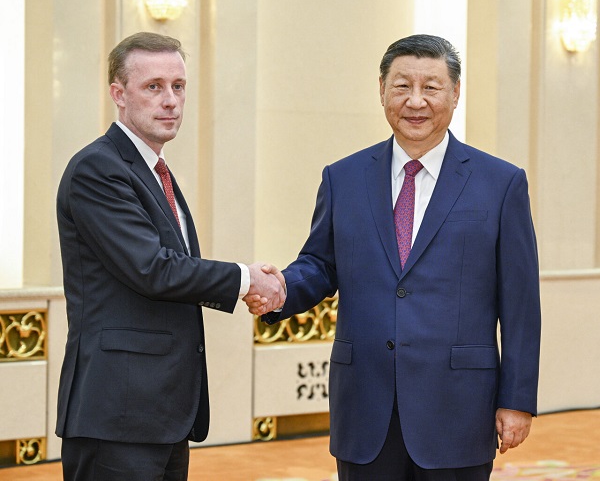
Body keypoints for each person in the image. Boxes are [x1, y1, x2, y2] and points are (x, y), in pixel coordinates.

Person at [245, 34, 541, 480]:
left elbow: (520, 304)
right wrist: (281, 289)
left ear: (455, 93)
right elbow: (321, 264)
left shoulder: (501, 183)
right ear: (382, 89)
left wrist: (517, 399)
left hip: (458, 408)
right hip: (366, 406)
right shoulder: (343, 178)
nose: (415, 101)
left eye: (431, 87)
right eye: (402, 86)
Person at [55, 32, 285, 481]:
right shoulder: (97, 168)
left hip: (161, 414)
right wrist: (246, 280)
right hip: (116, 414)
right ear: (118, 94)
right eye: (153, 86)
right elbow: (153, 269)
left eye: (178, 86)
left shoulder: (155, 170)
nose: (171, 101)